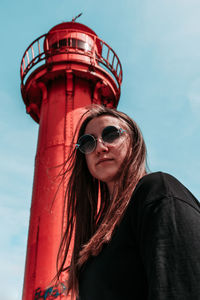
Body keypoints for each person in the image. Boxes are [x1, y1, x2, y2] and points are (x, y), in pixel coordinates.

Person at [56, 105, 200, 300]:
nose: (100, 147)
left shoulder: (157, 190)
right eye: (87, 142)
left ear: (133, 142)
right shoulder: (96, 236)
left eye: (111, 134)